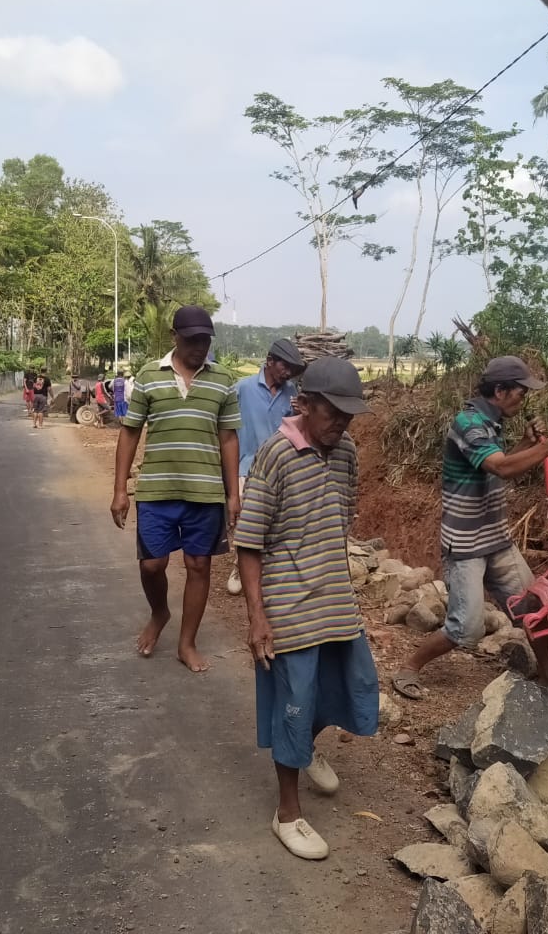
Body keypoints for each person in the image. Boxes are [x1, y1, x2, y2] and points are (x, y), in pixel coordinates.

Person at [236, 357, 378, 860]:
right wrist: (257, 616)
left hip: (335, 600)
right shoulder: (275, 454)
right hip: (288, 605)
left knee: (353, 687)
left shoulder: (347, 455)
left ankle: (304, 744)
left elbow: (340, 521)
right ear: (306, 404)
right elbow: (249, 542)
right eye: (332, 411)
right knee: (294, 702)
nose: (341, 422)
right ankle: (288, 812)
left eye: (349, 414)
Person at [392, 356, 548, 700]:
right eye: (520, 393)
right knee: (465, 628)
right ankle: (409, 667)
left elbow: (495, 462)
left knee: (533, 610)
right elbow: (502, 469)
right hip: (465, 545)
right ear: (499, 390)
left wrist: (527, 444)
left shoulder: (489, 422)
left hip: (496, 540)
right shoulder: (468, 422)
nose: (523, 400)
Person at [111, 306, 241, 673]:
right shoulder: (150, 375)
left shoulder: (223, 380)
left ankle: (187, 644)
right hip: (156, 490)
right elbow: (130, 431)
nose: (200, 346)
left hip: (206, 493)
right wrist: (120, 489)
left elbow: (229, 437)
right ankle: (160, 612)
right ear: (175, 337)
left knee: (199, 565)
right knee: (152, 565)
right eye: (192, 339)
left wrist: (233, 495)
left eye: (205, 339)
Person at [226, 338, 307, 596]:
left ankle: (269, 573)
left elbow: (298, 432)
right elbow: (225, 427)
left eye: (293, 368)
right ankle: (239, 568)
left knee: (276, 523)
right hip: (246, 466)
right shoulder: (242, 388)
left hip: (280, 469)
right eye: (285, 366)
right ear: (270, 361)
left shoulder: (292, 393)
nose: (288, 372)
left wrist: (300, 414)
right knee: (246, 523)